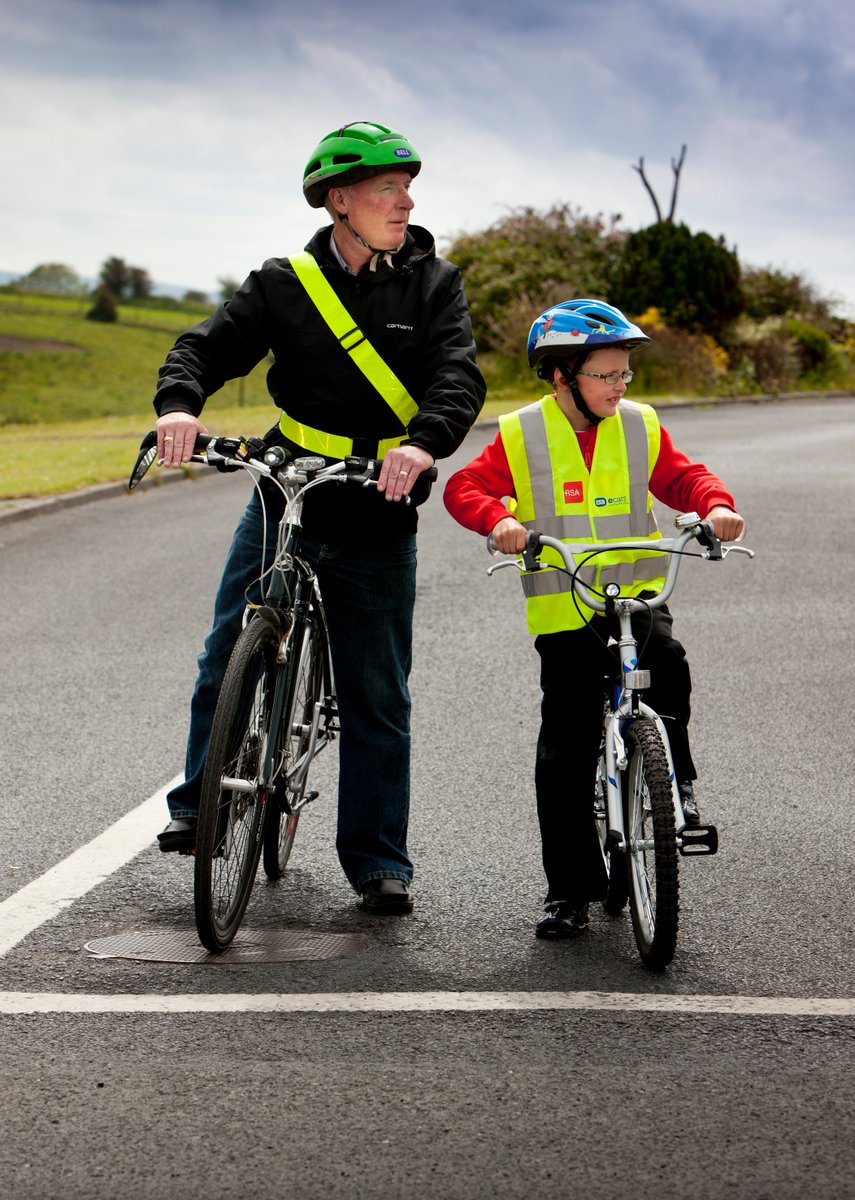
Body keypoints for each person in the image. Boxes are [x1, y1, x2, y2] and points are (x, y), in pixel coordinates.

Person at [152, 120, 485, 915]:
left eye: (406, 189)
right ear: (340, 202)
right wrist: (178, 407)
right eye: (385, 190)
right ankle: (200, 803)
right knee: (227, 644)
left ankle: (376, 860)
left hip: (378, 494)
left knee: (377, 691)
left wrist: (424, 445)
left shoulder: (433, 284)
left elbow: (456, 375)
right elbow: (206, 347)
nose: (404, 202)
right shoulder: (284, 282)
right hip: (287, 481)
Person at [443, 299, 745, 938]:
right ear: (562, 376)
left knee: (670, 665)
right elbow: (464, 487)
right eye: (605, 375)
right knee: (566, 748)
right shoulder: (524, 432)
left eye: (623, 374)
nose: (619, 386)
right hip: (566, 611)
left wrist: (715, 505)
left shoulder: (639, 425)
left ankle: (676, 783)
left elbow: (685, 478)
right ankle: (568, 891)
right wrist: (499, 521)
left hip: (637, 599)